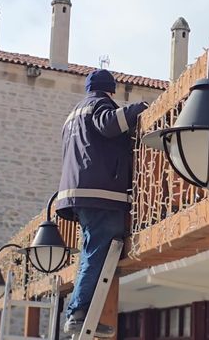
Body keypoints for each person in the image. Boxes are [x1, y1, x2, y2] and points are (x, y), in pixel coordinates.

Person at [56, 69, 148, 337]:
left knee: (91, 252)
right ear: (110, 90)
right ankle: (77, 314)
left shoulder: (72, 115)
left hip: (79, 193)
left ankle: (81, 314)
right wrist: (137, 110)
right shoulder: (99, 104)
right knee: (98, 252)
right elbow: (109, 125)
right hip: (101, 192)